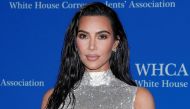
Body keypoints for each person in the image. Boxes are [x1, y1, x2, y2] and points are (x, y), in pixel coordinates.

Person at [41, 2, 155, 109]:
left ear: (115, 43)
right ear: (75, 43)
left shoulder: (138, 98)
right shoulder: (53, 98)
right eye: (83, 36)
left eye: (102, 36)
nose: (92, 46)